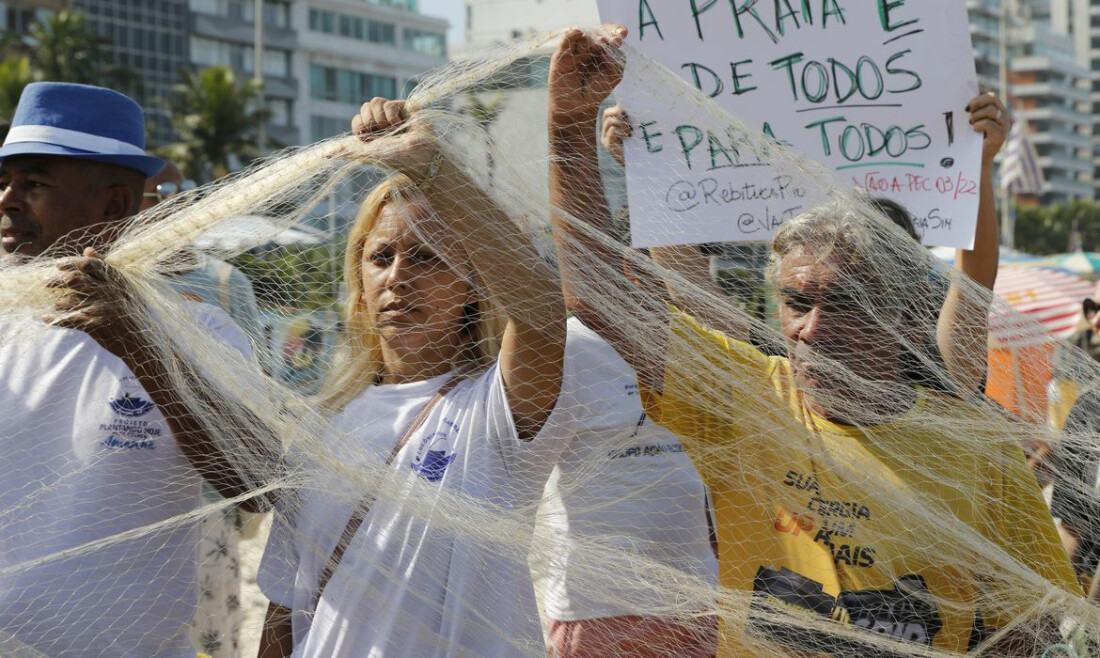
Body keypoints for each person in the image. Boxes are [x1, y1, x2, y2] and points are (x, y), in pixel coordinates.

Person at [549, 30, 1079, 656]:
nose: (813, 330)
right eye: (798, 302)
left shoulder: (975, 447)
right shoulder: (742, 399)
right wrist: (567, 127)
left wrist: (977, 168)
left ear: (910, 315)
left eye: (848, 304)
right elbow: (596, 292)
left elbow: (1034, 620)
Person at [255, 86, 578, 653]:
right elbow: (286, 603)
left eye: (427, 255)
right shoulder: (325, 422)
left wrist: (431, 167)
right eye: (382, 256)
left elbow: (542, 318)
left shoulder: (495, 408)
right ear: (359, 279)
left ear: (474, 284)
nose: (399, 277)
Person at [0, 82, 268, 656]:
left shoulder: (201, 329)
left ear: (116, 205)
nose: (7, 200)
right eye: (5, 181)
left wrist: (136, 345)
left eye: (36, 183)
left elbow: (255, 485)